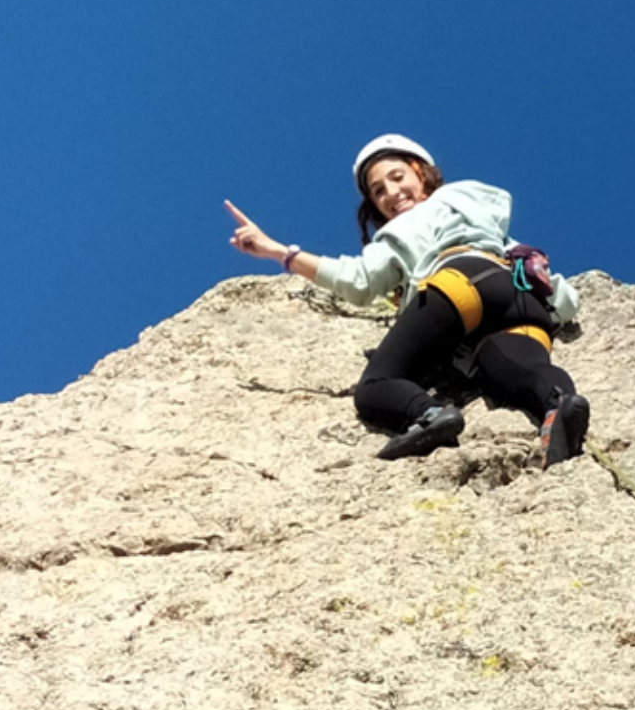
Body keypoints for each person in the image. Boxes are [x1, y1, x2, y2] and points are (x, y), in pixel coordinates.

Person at [225, 134, 589, 466]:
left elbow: (360, 280)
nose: (391, 194)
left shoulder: (403, 226)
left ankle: (429, 415)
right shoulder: (481, 210)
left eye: (397, 177)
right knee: (511, 370)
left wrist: (279, 253)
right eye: (379, 191)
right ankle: (558, 405)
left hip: (459, 285)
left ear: (420, 172)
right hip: (522, 298)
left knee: (376, 385)